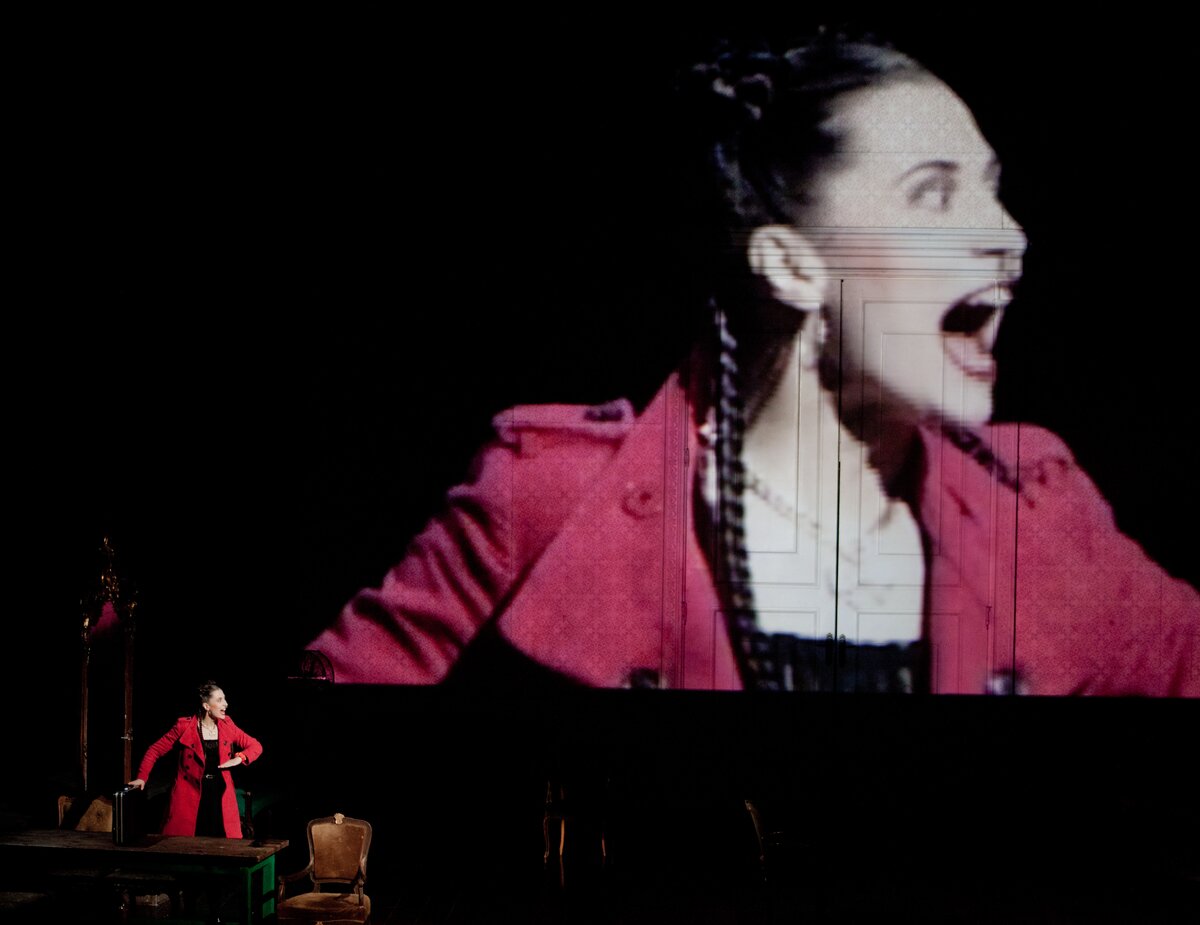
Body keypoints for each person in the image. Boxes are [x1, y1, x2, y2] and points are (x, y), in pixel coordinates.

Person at [306, 30, 1199, 696]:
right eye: (935, 195)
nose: (1008, 236)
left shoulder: (1039, 511)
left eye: (993, 190)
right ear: (790, 263)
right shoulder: (552, 496)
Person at [128, 681, 263, 837]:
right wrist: (142, 777)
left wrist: (240, 757)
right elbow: (155, 750)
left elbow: (256, 746)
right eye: (220, 700)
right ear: (206, 706)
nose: (225, 704)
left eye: (224, 699)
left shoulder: (227, 725)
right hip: (189, 794)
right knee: (185, 842)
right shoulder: (184, 726)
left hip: (219, 794)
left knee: (221, 841)